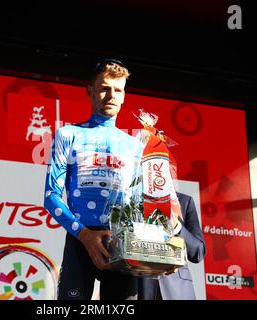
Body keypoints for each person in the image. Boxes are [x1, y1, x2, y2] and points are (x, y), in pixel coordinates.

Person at [44, 58, 139, 300]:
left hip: (122, 243)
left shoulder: (134, 146)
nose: (111, 95)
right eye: (105, 88)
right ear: (90, 90)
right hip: (80, 239)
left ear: (125, 95)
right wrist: (85, 236)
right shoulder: (68, 134)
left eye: (118, 90)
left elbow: (139, 203)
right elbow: (50, 197)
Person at [138, 192, 206, 300]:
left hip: (178, 290)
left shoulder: (183, 200)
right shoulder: (127, 195)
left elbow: (198, 252)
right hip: (137, 287)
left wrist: (177, 227)